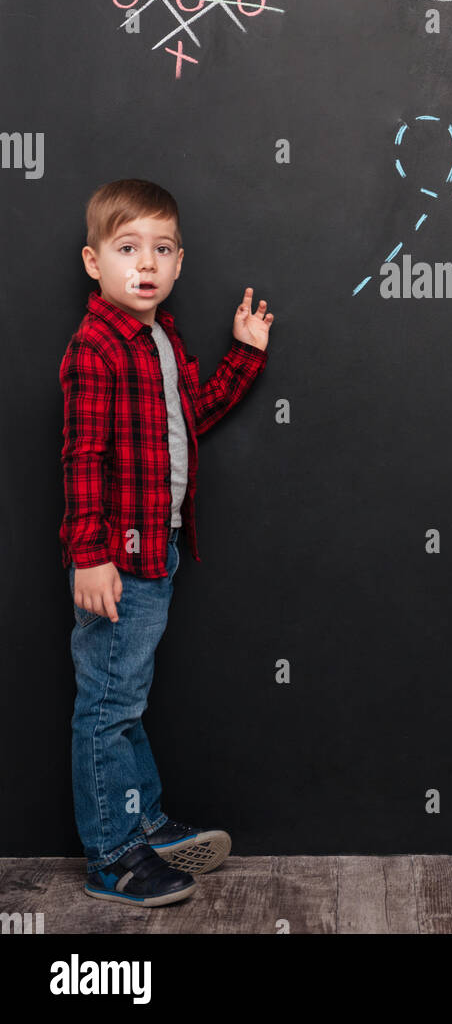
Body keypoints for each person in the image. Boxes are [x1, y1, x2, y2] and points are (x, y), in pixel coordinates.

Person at [59, 178, 273, 906]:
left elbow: (192, 419)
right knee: (107, 707)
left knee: (127, 699)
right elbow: (82, 456)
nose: (144, 264)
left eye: (160, 250)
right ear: (94, 262)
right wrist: (89, 555)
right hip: (118, 559)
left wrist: (243, 355)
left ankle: (142, 819)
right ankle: (113, 856)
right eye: (126, 249)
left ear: (179, 263)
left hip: (160, 549)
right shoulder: (96, 348)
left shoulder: (159, 337)